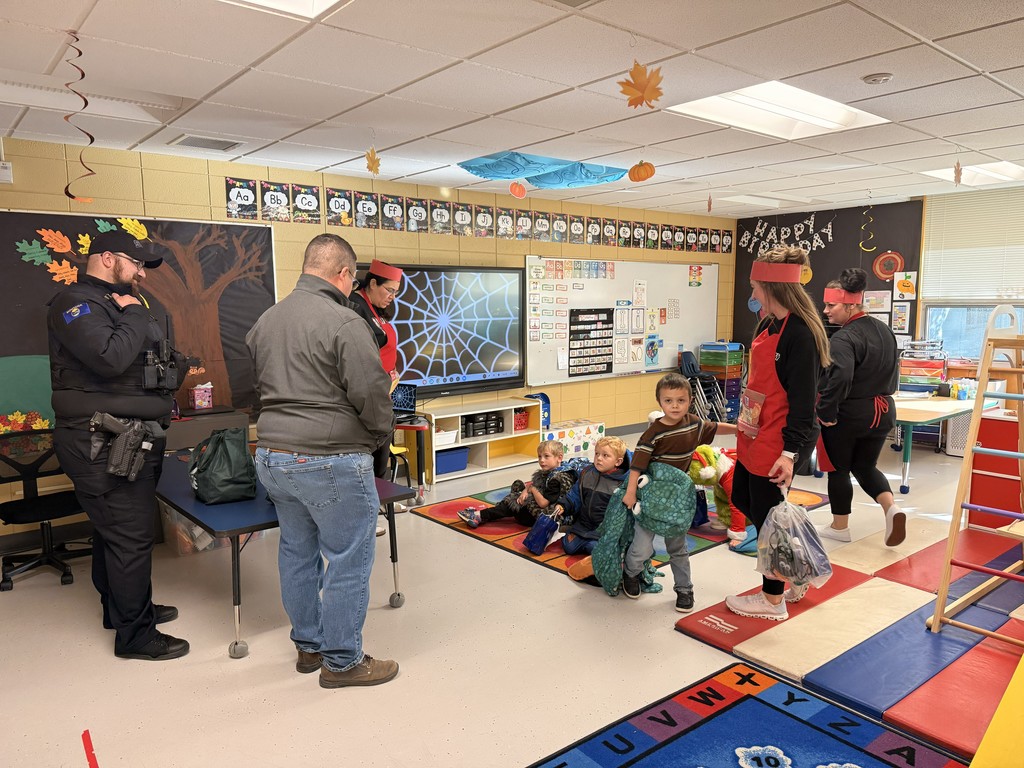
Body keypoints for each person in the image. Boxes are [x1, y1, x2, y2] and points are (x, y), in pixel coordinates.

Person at [246, 234, 398, 688]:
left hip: (272, 457)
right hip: (328, 460)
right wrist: (376, 438)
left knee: (296, 552)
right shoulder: (344, 322)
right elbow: (371, 395)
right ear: (346, 274)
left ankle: (308, 648)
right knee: (348, 557)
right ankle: (343, 661)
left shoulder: (266, 320)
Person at [47, 230, 188, 661]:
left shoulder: (120, 302)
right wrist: (130, 316)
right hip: (101, 441)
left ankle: (125, 610)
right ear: (108, 258)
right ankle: (136, 636)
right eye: (137, 263)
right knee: (130, 537)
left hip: (130, 437)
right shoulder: (73, 304)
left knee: (115, 534)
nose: (141, 272)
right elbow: (108, 358)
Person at [725, 245, 831, 621]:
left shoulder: (799, 335)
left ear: (774, 288)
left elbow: (805, 405)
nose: (752, 296)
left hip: (778, 438)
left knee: (770, 516)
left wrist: (789, 454)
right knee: (746, 499)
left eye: (756, 288)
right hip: (754, 431)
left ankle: (773, 600)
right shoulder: (769, 324)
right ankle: (798, 569)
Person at [621, 374, 737, 612]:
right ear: (659, 402)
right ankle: (630, 573)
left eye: (681, 400)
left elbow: (714, 427)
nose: (675, 406)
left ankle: (684, 590)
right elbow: (637, 466)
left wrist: (739, 430)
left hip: (678, 502)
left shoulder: (694, 424)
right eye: (669, 401)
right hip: (651, 496)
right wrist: (631, 492)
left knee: (678, 548)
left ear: (690, 401)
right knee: (643, 546)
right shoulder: (653, 434)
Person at [817, 268, 905, 547]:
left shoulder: (843, 338)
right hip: (883, 410)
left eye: (831, 305)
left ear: (851, 304)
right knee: (865, 466)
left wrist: (826, 412)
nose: (826, 310)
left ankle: (839, 527)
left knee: (839, 469)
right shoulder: (884, 330)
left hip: (850, 413)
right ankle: (892, 509)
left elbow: (840, 377)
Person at [349, 259, 404, 479]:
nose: (392, 297)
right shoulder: (354, 306)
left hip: (385, 389)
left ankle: (382, 497)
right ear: (372, 283)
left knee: (383, 451)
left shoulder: (378, 308)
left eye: (396, 292)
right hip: (369, 393)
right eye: (389, 290)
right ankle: (375, 499)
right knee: (373, 451)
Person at [457, 440, 571, 528]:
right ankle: (502, 508)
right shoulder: (554, 471)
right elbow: (536, 486)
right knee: (518, 485)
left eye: (546, 456)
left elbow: (543, 503)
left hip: (538, 516)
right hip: (536, 505)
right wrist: (527, 490)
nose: (542, 460)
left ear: (559, 457)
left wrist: (531, 489)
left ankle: (479, 516)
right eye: (539, 456)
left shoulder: (556, 479)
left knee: (514, 502)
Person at [551, 436, 631, 556]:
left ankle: (603, 550)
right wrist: (564, 505)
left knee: (594, 548)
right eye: (597, 454)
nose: (599, 458)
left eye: (605, 455)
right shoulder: (587, 473)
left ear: (618, 462)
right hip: (584, 524)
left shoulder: (624, 483)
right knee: (569, 548)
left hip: (605, 529)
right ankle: (591, 546)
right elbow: (575, 494)